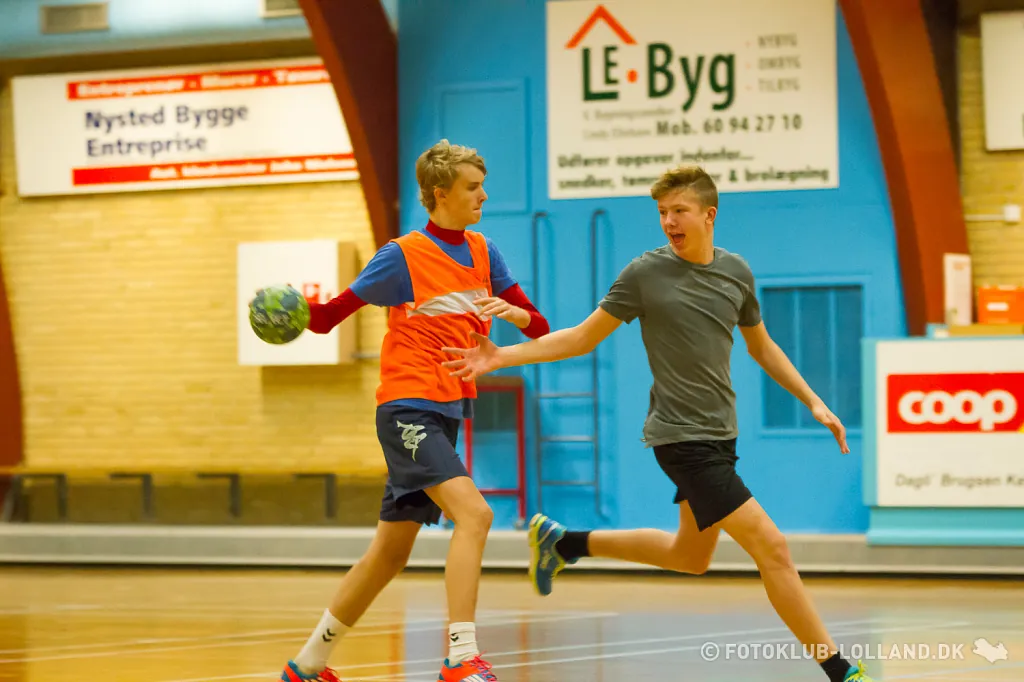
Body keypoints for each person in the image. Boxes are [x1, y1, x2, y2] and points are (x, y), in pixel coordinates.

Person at [441, 165, 875, 682]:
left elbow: (762, 347)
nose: (669, 221)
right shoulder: (644, 274)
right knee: (773, 548)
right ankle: (840, 670)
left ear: (709, 215)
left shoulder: (736, 272)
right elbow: (581, 337)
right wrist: (501, 357)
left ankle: (565, 542)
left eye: (679, 211)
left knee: (689, 556)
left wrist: (814, 401)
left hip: (721, 435)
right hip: (681, 438)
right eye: (662, 212)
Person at [280, 139, 549, 682]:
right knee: (476, 514)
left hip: (445, 412)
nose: (483, 196)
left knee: (390, 553)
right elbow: (329, 318)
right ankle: (460, 657)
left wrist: (515, 314)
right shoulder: (402, 256)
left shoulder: (484, 252)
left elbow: (539, 327)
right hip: (407, 408)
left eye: (482, 186)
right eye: (473, 187)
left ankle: (306, 665)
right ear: (439, 193)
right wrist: (289, 310)